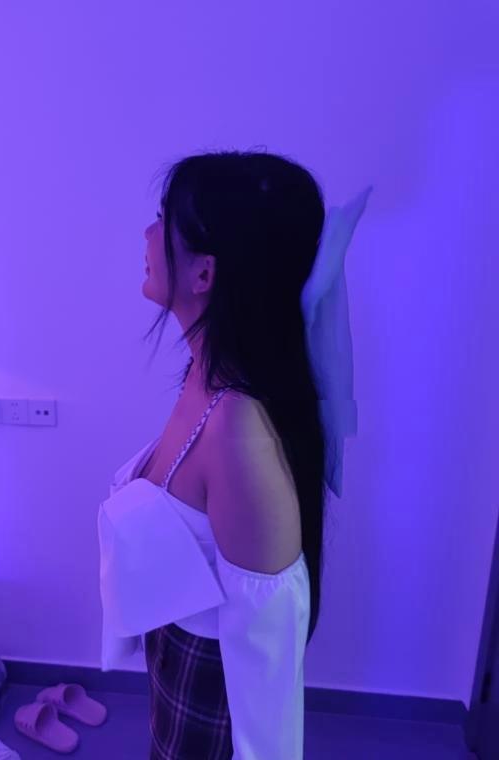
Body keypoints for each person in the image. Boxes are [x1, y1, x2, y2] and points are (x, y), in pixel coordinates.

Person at [98, 148, 371, 759]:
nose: (146, 234)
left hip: (214, 714)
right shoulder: (205, 377)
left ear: (205, 274)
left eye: (162, 219)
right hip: (176, 682)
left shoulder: (237, 430)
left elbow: (267, 652)